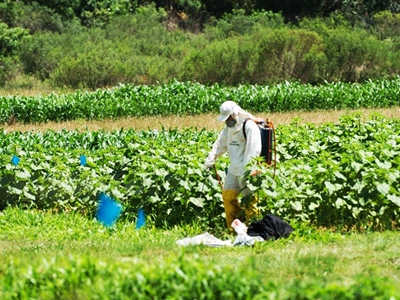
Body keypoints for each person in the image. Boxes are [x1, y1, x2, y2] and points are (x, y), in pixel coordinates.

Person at [205, 100, 262, 232]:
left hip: (247, 171)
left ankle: (254, 230)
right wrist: (211, 159)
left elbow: (254, 150)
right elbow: (220, 144)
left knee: (250, 202)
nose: (227, 120)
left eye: (229, 117)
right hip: (233, 170)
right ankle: (233, 230)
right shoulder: (228, 128)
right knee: (228, 197)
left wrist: (248, 171)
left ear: (235, 114)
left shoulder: (249, 127)